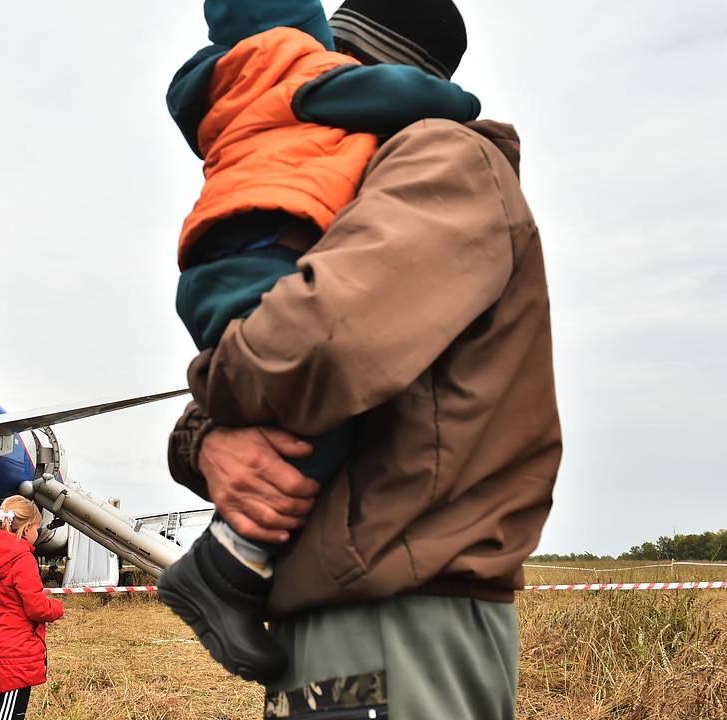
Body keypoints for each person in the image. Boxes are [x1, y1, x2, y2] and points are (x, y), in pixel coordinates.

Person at [166, 6, 561, 719]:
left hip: (398, 615)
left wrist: (212, 390)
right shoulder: (349, 187)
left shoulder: (444, 159)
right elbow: (278, 354)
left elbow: (309, 346)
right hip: (342, 616)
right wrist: (209, 437)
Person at [0, 496, 64, 720]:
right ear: (25, 529)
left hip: (0, 644)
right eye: (36, 528)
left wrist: (5, 608)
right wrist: (56, 608)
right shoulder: (23, 559)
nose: (38, 533)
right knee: (8, 715)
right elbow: (37, 607)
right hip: (17, 651)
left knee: (7, 709)